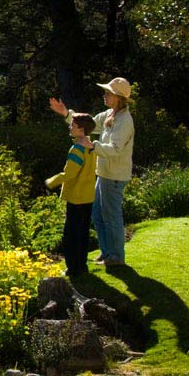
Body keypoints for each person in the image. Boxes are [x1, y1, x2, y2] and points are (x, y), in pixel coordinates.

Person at [49, 77, 135, 267]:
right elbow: (88, 124)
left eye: (108, 93)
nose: (104, 95)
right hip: (104, 173)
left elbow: (115, 149)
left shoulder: (124, 121)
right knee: (97, 214)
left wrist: (92, 145)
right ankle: (107, 252)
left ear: (118, 97)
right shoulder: (110, 114)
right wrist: (66, 113)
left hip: (114, 176)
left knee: (111, 216)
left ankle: (116, 257)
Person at [45, 113, 97, 277]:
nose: (70, 127)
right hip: (88, 195)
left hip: (76, 197)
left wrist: (51, 181)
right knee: (82, 233)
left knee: (71, 234)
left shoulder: (77, 149)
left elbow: (69, 173)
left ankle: (73, 268)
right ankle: (82, 266)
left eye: (73, 125)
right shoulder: (91, 146)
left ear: (81, 129)